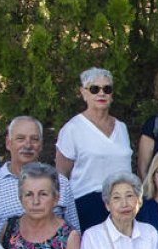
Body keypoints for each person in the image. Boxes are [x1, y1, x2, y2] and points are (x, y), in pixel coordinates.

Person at [0, 116, 79, 236]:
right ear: (8, 143)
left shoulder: (60, 183)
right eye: (20, 139)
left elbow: (75, 233)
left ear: (41, 144)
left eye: (34, 139)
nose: (28, 145)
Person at [56, 68, 133, 230]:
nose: (101, 93)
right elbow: (62, 175)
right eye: (94, 89)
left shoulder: (121, 128)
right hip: (87, 206)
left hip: (123, 204)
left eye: (107, 89)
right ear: (83, 92)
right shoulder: (72, 129)